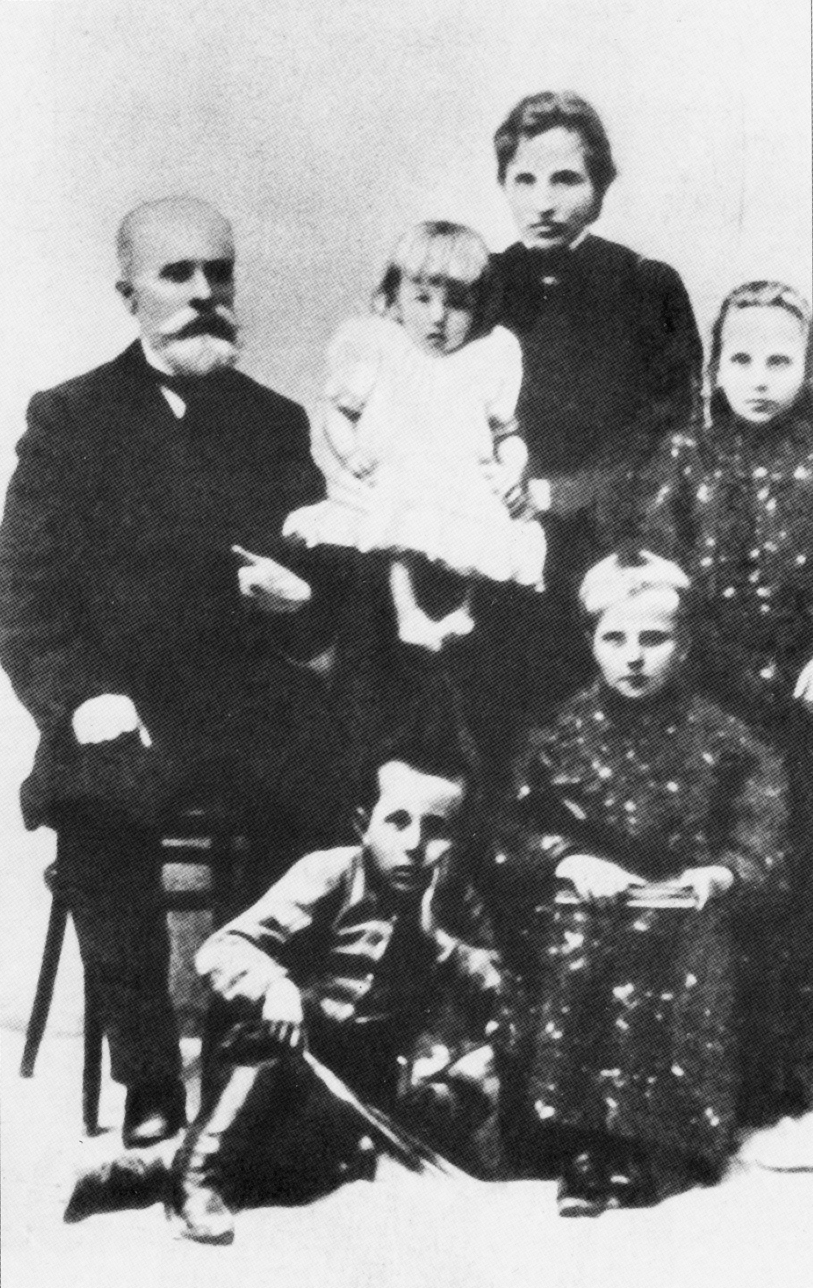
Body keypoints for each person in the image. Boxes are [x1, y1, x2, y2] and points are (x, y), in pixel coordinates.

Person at [0, 197, 351, 1148]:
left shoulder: (272, 423)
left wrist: (301, 598)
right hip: (122, 701)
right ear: (129, 294)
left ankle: (248, 1058)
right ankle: (149, 1078)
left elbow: (326, 585)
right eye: (177, 274)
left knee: (321, 778)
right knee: (97, 800)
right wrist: (82, 699)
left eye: (218, 273)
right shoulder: (69, 419)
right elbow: (24, 595)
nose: (204, 294)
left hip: (242, 700)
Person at [65, 737, 503, 1244]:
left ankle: (158, 1166)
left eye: (437, 829)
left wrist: (440, 939)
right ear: (363, 824)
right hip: (289, 1060)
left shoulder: (453, 896)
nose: (414, 845)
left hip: (366, 1080)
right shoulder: (331, 872)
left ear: (458, 838)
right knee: (269, 1043)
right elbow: (222, 948)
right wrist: (275, 988)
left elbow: (498, 989)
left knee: (483, 1068)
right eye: (397, 822)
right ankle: (195, 1175)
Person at [486, 550, 788, 1215]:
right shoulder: (557, 734)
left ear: (683, 645)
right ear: (590, 642)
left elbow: (763, 831)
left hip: (686, 914)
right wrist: (568, 859)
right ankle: (583, 1144)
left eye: (654, 638)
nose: (633, 657)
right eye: (614, 638)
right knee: (578, 946)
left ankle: (662, 1143)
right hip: (582, 914)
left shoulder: (725, 737)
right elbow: (509, 829)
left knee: (685, 949)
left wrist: (722, 871)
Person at [642, 280, 813, 1155]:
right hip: (707, 704)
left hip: (799, 705)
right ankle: (716, 1090)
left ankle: (794, 1089)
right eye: (740, 359)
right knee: (719, 879)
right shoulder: (686, 455)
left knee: (795, 884)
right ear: (714, 368)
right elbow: (655, 572)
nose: (758, 377)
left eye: (778, 360)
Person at [484, 90, 702, 722]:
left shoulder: (645, 285)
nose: (543, 202)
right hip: (494, 536)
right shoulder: (480, 284)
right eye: (524, 180)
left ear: (600, 185)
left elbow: (671, 434)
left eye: (565, 179)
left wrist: (563, 493)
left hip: (608, 540)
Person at [285, 220, 545, 653]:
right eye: (422, 299)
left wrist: (512, 468)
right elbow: (338, 413)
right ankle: (408, 613)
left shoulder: (489, 354)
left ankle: (463, 608)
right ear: (395, 297)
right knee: (398, 527)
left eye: (457, 304)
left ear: (479, 306)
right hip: (401, 472)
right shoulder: (381, 346)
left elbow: (507, 433)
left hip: (463, 478)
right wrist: (349, 453)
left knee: (486, 528)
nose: (438, 317)